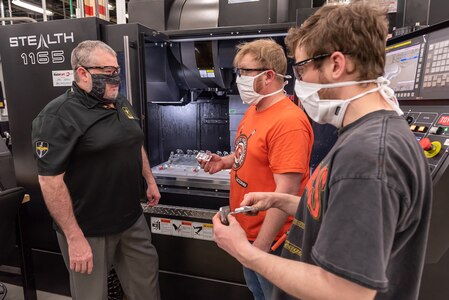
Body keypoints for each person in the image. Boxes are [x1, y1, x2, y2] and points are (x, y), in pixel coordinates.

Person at [212, 1, 432, 300]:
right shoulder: (364, 137)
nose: (299, 81)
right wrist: (285, 201)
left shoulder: (369, 156)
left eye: (302, 68)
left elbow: (345, 291)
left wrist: (244, 251)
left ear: (336, 64)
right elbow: (341, 212)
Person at [31, 40, 161, 300]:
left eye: (116, 70)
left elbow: (134, 141)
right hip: (87, 228)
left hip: (130, 219)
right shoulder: (57, 117)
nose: (114, 77)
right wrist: (73, 236)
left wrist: (149, 179)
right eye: (106, 71)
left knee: (146, 287)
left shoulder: (120, 102)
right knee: (91, 295)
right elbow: (50, 182)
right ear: (82, 73)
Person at [199, 39, 314, 300]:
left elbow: (286, 191)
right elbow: (249, 151)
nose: (239, 78)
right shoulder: (255, 109)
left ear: (269, 75)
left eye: (245, 72)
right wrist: (225, 162)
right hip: (248, 236)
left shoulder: (288, 122)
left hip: (274, 243)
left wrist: (259, 249)